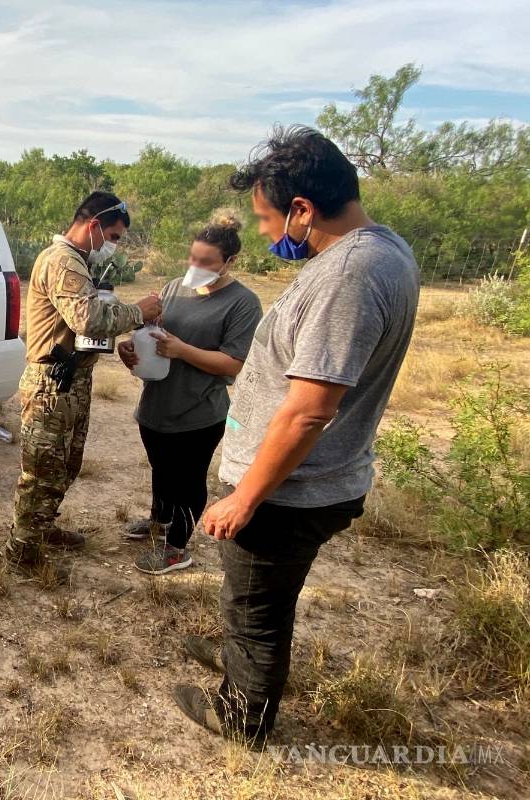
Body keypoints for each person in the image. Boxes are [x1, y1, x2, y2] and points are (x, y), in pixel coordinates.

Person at [171, 126, 419, 748]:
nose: (262, 232)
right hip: (302, 481)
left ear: (303, 210)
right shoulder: (377, 252)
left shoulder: (351, 275)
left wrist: (245, 496)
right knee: (253, 596)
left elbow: (309, 410)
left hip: (288, 493)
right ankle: (236, 650)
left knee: (259, 613)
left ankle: (241, 720)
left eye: (266, 218)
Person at [6, 191, 163, 582]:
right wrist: (137, 312)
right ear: (93, 225)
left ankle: (42, 526)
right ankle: (22, 551)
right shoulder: (63, 260)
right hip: (50, 383)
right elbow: (88, 319)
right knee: (42, 470)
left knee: (65, 465)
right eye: (113, 236)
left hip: (71, 379)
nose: (114, 245)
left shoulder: (76, 262)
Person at [119, 211, 262, 575]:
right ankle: (158, 521)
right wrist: (130, 352)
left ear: (230, 261)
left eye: (206, 261)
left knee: (187, 481)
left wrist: (182, 350)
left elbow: (232, 364)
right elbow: (152, 338)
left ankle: (177, 547)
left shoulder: (242, 303)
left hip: (199, 412)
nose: (195, 266)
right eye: (193, 258)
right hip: (156, 405)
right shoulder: (172, 289)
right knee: (161, 470)